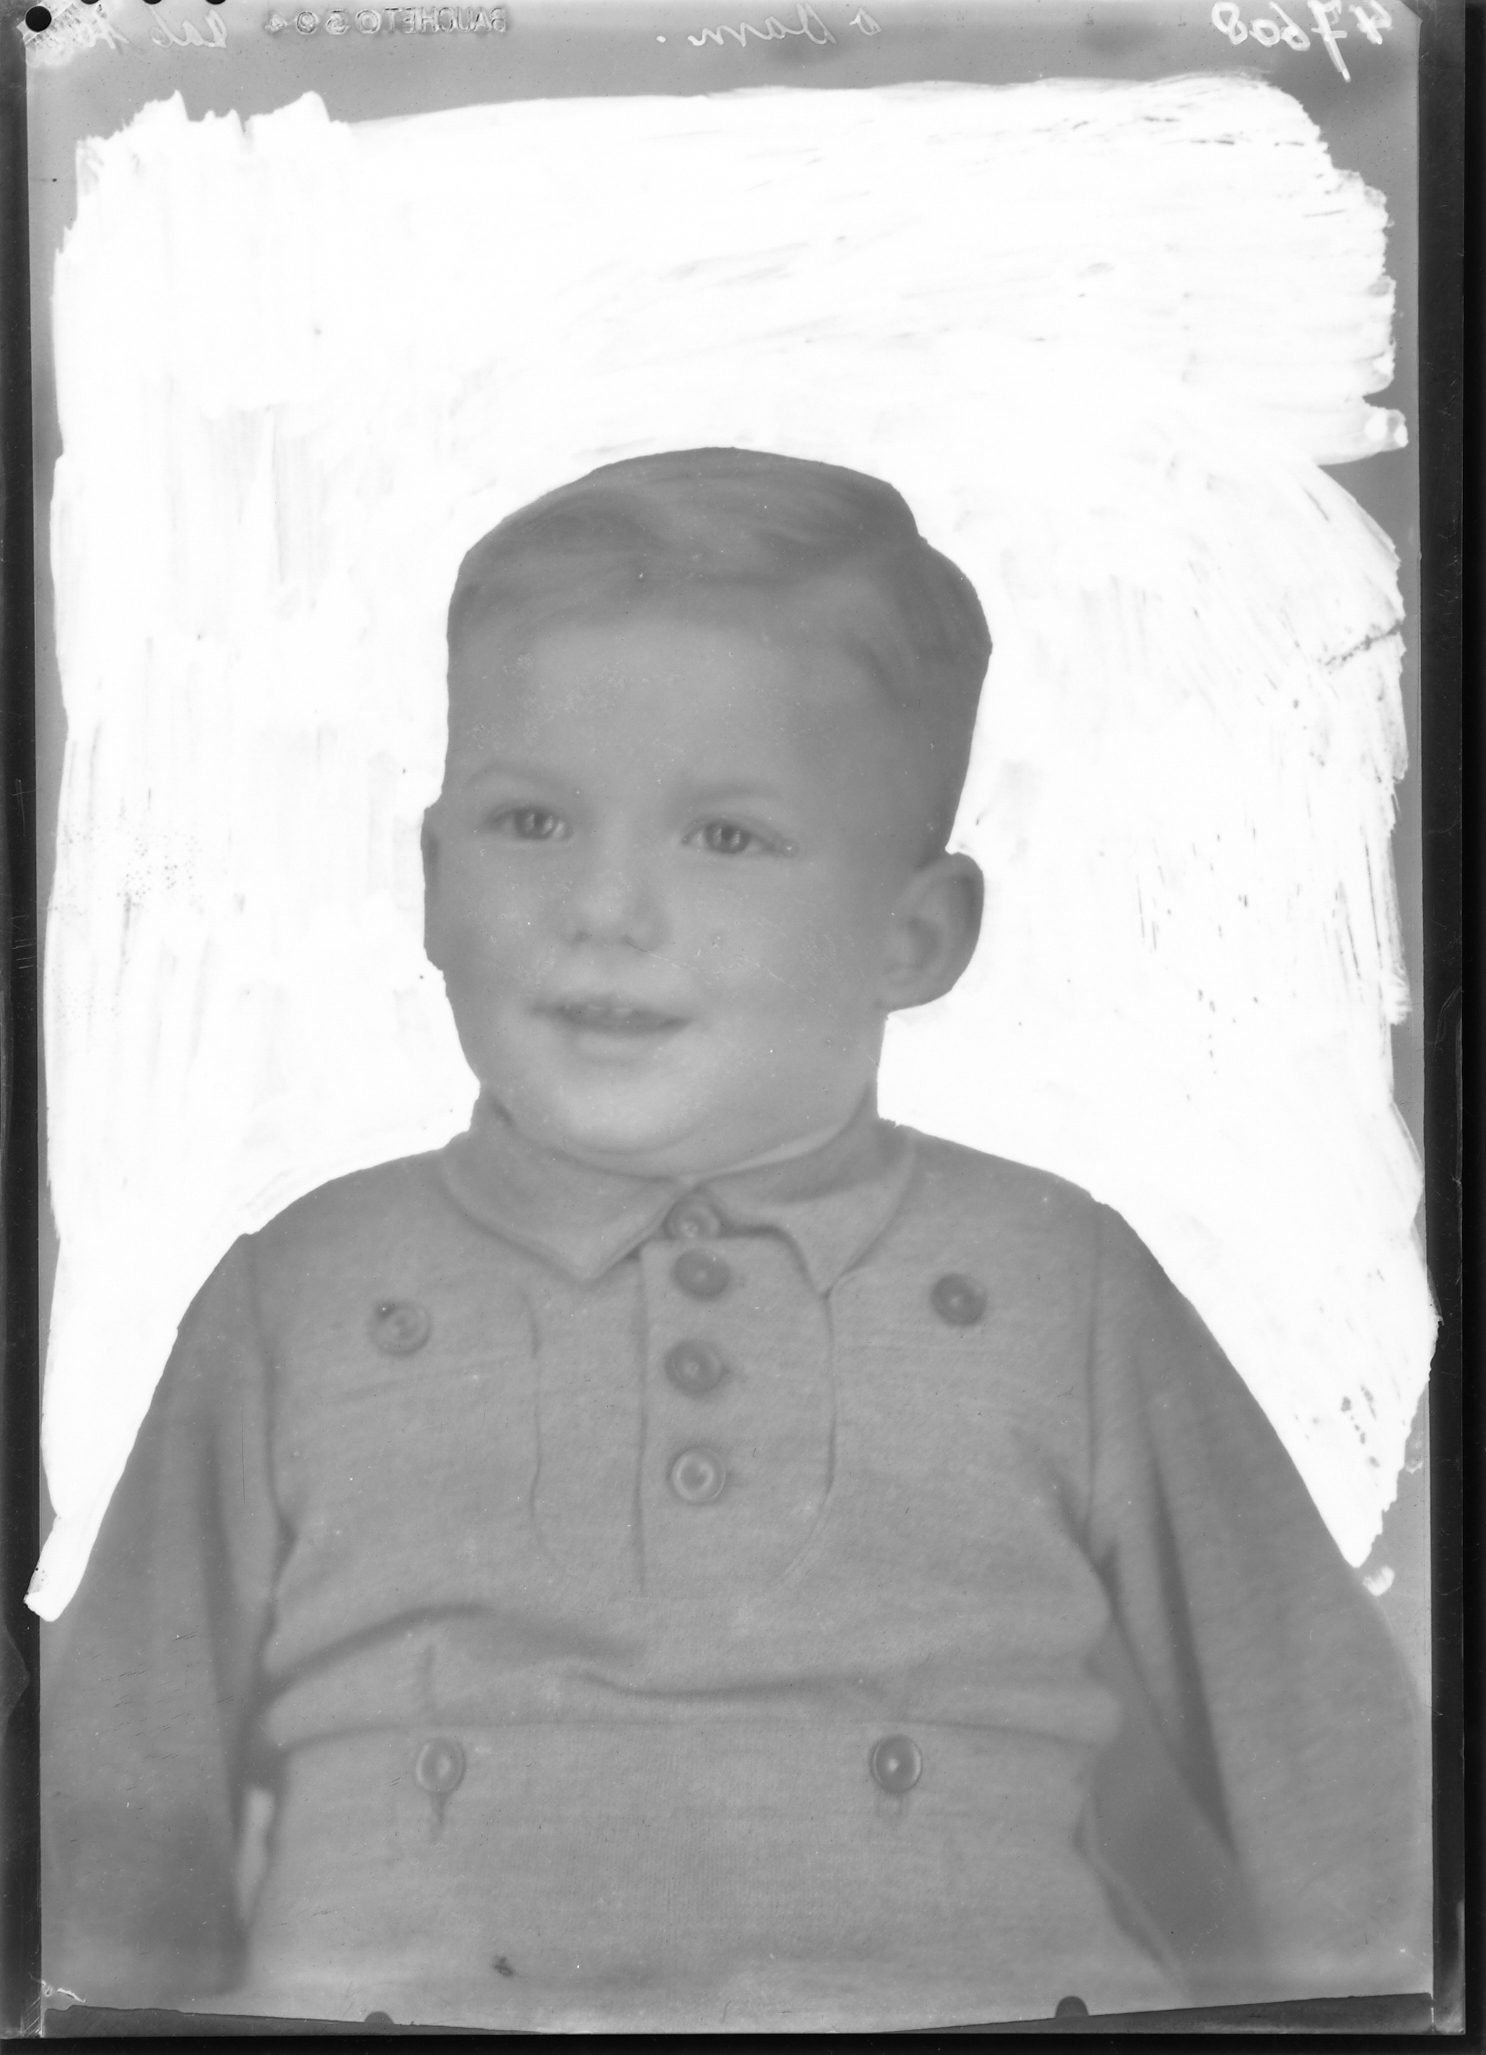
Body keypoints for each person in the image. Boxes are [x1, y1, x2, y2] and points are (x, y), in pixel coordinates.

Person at [42, 449, 1427, 2033]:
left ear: (917, 934)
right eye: (532, 820)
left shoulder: (1056, 1284)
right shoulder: (303, 1294)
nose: (605, 909)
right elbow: (110, 1823)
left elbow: (1336, 1788)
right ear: (428, 880)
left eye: (725, 838)